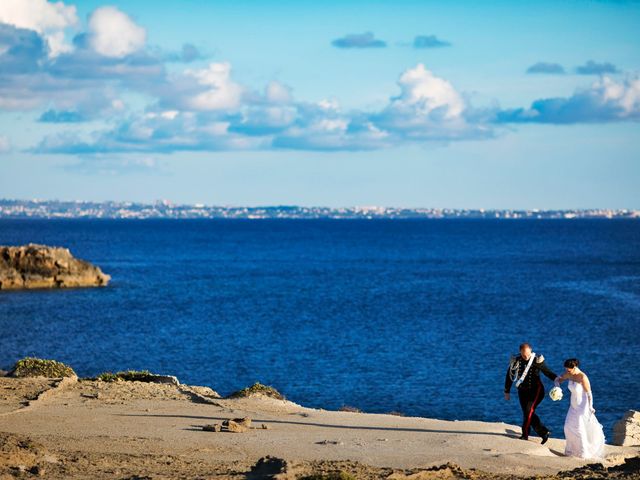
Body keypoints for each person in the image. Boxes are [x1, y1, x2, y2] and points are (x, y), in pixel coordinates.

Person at [504, 342, 559, 443]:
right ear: (520, 352)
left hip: (536, 391)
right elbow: (509, 376)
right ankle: (543, 432)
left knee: (529, 411)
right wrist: (507, 391)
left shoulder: (537, 360)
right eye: (524, 354)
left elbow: (547, 372)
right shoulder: (515, 361)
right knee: (527, 413)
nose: (526, 356)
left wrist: (557, 379)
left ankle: (525, 435)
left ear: (531, 351)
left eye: (528, 354)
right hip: (522, 391)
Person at [555, 358, 605, 459]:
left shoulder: (582, 377)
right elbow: (558, 380)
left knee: (579, 428)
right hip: (573, 405)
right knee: (567, 427)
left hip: (583, 405)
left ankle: (583, 453)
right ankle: (571, 451)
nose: (567, 371)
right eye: (566, 369)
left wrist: (591, 406)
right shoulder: (569, 374)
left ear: (574, 367)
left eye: (568, 370)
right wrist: (557, 388)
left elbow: (589, 394)